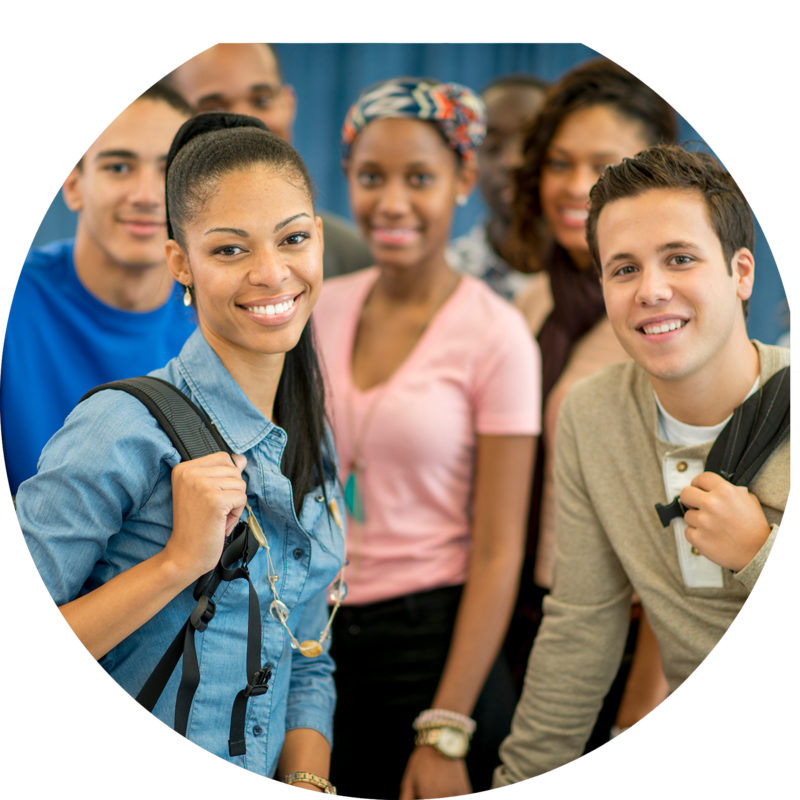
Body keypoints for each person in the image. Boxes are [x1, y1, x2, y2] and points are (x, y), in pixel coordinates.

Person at [16, 112, 346, 787]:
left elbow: (307, 656)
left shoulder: (312, 434)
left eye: (294, 238)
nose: (271, 272)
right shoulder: (120, 428)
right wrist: (176, 564)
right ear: (180, 264)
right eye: (230, 250)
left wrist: (310, 783)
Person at [493, 143, 790, 785]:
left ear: (742, 273)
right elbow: (581, 625)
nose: (651, 290)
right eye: (623, 269)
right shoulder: (590, 415)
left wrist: (760, 552)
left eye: (679, 258)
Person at [313, 77, 541, 799]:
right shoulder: (317, 311)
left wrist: (446, 722)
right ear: (346, 178)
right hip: (313, 638)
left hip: (432, 642)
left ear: (462, 181)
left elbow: (500, 547)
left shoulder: (497, 335)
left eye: (420, 178)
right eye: (371, 177)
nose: (392, 202)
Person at [503, 58, 678, 743]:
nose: (577, 187)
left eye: (603, 165)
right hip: (532, 607)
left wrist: (644, 702)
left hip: (629, 626)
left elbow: (695, 512)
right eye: (560, 163)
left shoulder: (666, 314)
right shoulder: (533, 300)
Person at [1, 82, 196, 495]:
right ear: (72, 185)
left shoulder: (222, 315)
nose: (146, 195)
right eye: (118, 167)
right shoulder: (15, 301)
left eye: (168, 169)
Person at [166, 42, 372, 279]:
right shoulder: (136, 265)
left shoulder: (353, 259)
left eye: (261, 100)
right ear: (180, 262)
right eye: (214, 106)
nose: (245, 119)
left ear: (289, 104)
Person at [447, 73, 548, 302]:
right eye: (492, 147)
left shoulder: (602, 273)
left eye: (530, 144)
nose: (512, 161)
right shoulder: (446, 277)